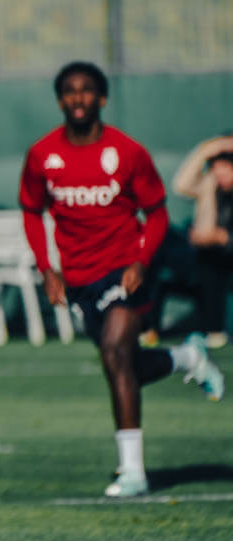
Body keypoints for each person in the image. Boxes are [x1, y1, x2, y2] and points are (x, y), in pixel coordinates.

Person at [18, 61, 226, 499]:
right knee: (124, 365)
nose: (78, 98)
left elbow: (157, 213)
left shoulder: (127, 152)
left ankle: (133, 472)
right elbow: (32, 212)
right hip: (79, 277)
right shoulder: (42, 155)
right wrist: (47, 268)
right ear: (60, 100)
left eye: (86, 90)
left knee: (115, 351)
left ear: (102, 98)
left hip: (124, 269)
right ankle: (186, 358)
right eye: (69, 91)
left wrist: (141, 262)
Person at [172, 135, 233, 349]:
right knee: (206, 262)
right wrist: (207, 149)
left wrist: (222, 237)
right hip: (209, 254)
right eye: (216, 167)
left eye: (226, 167)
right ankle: (211, 329)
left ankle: (214, 328)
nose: (220, 173)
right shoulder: (210, 185)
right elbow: (181, 184)